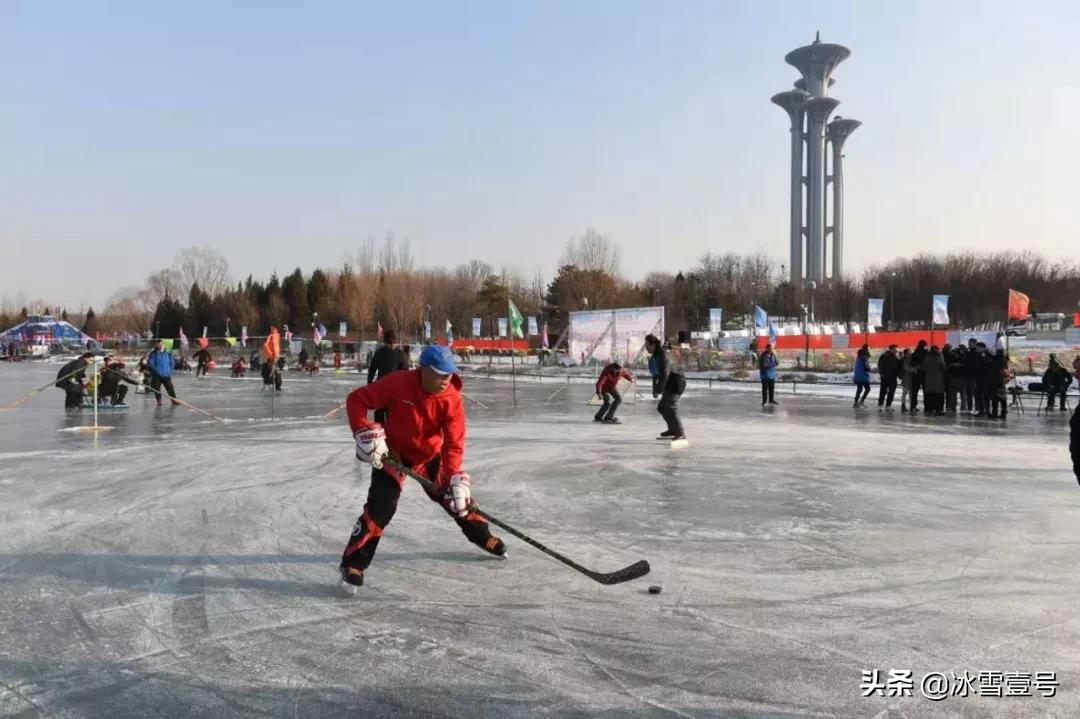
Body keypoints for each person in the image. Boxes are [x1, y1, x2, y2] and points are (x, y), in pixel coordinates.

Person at [338, 344, 506, 594]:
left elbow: (454, 444)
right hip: (392, 455)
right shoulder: (398, 383)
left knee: (456, 499)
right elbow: (357, 399)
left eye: (449, 372)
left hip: (428, 457)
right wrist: (362, 429)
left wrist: (452, 477)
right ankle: (354, 564)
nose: (446, 378)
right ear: (423, 369)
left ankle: (482, 535)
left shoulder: (452, 400)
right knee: (380, 509)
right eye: (440, 372)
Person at [646, 334, 685, 441]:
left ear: (653, 345)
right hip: (668, 383)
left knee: (670, 407)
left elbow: (665, 373)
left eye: (648, 345)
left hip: (676, 382)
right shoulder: (654, 357)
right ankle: (672, 429)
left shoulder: (662, 355)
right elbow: (655, 374)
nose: (646, 348)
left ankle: (680, 433)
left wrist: (659, 388)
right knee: (662, 407)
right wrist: (655, 389)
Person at [367, 330, 410, 424]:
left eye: (394, 342)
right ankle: (380, 428)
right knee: (379, 411)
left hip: (396, 388)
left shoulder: (401, 354)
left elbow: (406, 371)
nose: (392, 345)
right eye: (390, 343)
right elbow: (372, 368)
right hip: (381, 387)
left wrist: (405, 387)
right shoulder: (379, 353)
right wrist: (369, 382)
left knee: (393, 412)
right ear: (385, 342)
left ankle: (392, 430)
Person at [147, 340, 180, 406]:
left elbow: (172, 362)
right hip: (156, 375)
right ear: (157, 345)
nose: (161, 345)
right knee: (157, 389)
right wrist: (156, 370)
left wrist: (170, 370)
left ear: (164, 345)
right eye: (159, 344)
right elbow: (150, 363)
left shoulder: (168, 353)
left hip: (166, 374)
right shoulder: (153, 353)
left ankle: (174, 400)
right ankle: (159, 401)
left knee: (170, 388)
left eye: (162, 344)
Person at [923, 345, 947, 415]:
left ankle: (929, 409)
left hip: (929, 379)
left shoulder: (926, 358)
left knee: (929, 395)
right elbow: (944, 367)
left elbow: (924, 368)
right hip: (938, 379)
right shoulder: (940, 358)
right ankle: (938, 410)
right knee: (938, 396)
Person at [988, 349, 1010, 419]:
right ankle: (1003, 413)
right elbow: (1006, 370)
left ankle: (994, 413)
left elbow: (991, 369)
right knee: (1003, 397)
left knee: (995, 398)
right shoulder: (1005, 360)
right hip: (1002, 381)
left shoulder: (994, 359)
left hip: (994, 381)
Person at [877, 344, 900, 411]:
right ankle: (883, 405)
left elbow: (898, 366)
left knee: (889, 392)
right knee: (885, 391)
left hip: (891, 377)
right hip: (887, 377)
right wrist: (882, 374)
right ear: (892, 349)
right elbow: (880, 365)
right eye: (895, 349)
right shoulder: (884, 356)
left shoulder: (894, 357)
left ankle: (886, 405)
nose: (896, 350)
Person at [909, 340, 927, 412]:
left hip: (915, 375)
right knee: (925, 391)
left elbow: (911, 363)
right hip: (923, 374)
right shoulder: (925, 353)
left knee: (914, 391)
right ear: (923, 345)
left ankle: (913, 406)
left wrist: (915, 367)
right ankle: (926, 406)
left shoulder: (914, 353)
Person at [899, 348, 913, 413]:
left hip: (908, 378)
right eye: (909, 352)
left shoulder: (908, 359)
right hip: (906, 378)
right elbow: (906, 369)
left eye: (910, 352)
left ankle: (910, 405)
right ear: (906, 354)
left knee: (909, 392)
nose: (910, 353)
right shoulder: (905, 360)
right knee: (906, 392)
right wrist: (913, 369)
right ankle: (904, 405)